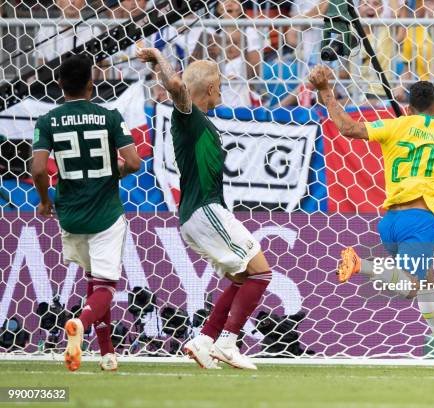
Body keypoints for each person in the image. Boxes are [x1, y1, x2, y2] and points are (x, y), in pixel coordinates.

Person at [308, 65, 434, 366]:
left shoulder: (397, 124)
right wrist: (429, 218)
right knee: (410, 286)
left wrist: (325, 90)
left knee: (425, 283)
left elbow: (348, 128)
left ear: (408, 107)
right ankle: (359, 264)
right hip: (418, 218)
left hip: (389, 221)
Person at [136, 47, 273, 370]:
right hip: (204, 210)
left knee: (243, 277)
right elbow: (178, 89)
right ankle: (228, 341)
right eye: (221, 86)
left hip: (199, 212)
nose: (222, 91)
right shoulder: (188, 116)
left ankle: (205, 339)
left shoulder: (197, 121)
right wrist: (159, 56)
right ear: (211, 88)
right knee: (261, 273)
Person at [31, 54, 142, 372]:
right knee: (106, 287)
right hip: (105, 213)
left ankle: (107, 353)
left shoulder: (47, 120)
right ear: (92, 84)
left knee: (93, 282)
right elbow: (134, 162)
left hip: (71, 215)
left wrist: (44, 201)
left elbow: (38, 168)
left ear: (59, 84)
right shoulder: (109, 116)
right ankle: (79, 324)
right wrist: (111, 173)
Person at [34, 0, 101, 64]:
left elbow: (102, 65)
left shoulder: (93, 30)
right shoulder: (45, 30)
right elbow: (41, 65)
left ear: (84, 2)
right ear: (57, 2)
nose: (72, 1)